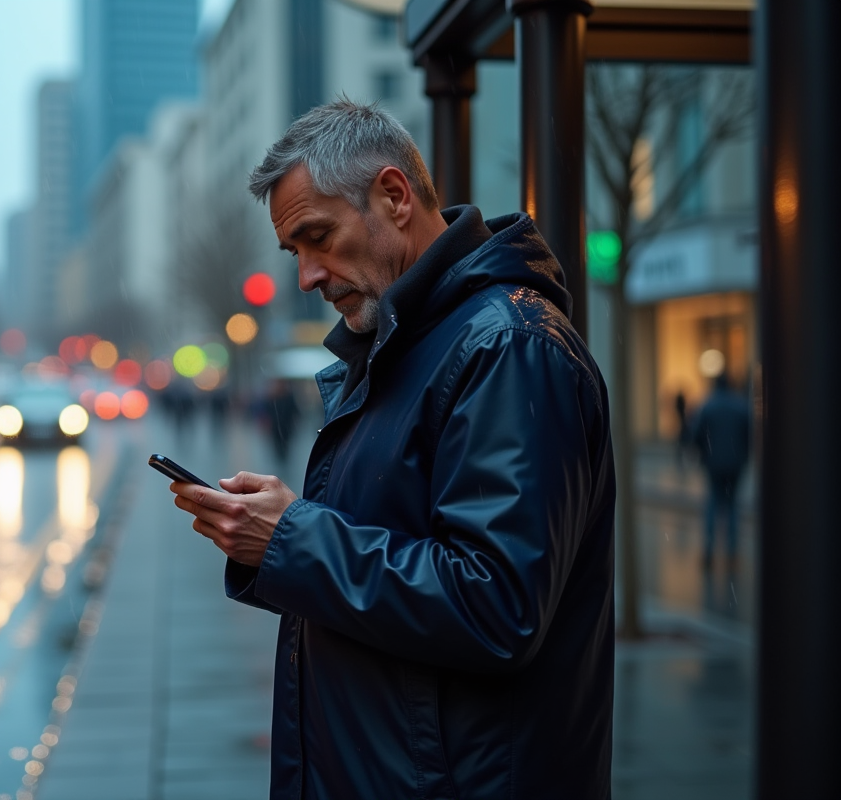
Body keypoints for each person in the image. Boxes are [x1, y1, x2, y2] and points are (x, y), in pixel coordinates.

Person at [167, 101, 616, 799]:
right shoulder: (408, 349)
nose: (308, 276)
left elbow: (496, 606)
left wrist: (291, 539)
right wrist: (276, 541)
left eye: (318, 237)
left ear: (395, 196)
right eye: (295, 252)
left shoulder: (508, 346)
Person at [692, 373, 751, 570]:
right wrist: (744, 457)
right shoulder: (741, 405)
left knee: (713, 504)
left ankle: (709, 552)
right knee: (732, 505)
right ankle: (732, 554)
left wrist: (702, 454)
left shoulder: (707, 405)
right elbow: (749, 434)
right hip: (735, 464)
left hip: (713, 463)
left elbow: (697, 433)